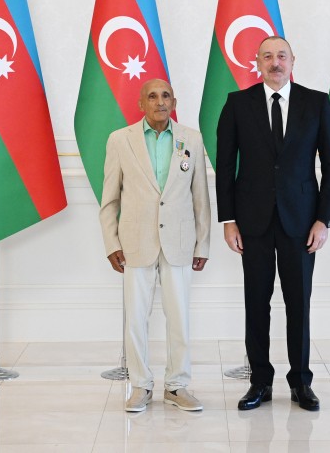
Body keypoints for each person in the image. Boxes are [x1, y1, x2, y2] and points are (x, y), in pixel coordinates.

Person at [216, 37, 330, 412]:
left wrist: (324, 218)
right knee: (256, 303)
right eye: (267, 56)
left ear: (293, 61)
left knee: (298, 303)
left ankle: (301, 382)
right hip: (251, 222)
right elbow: (225, 167)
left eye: (281, 56)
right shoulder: (237, 104)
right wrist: (228, 219)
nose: (275, 62)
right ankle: (259, 382)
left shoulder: (317, 103)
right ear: (257, 63)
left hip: (301, 222)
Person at [99, 79, 211, 412]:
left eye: (165, 96)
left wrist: (202, 244)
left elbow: (201, 198)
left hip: (178, 242)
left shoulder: (191, 139)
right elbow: (110, 198)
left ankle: (177, 385)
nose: (159, 102)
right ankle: (140, 385)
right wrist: (111, 242)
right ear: (141, 103)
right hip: (135, 242)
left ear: (173, 101)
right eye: (152, 96)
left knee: (179, 317)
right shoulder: (120, 140)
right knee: (135, 318)